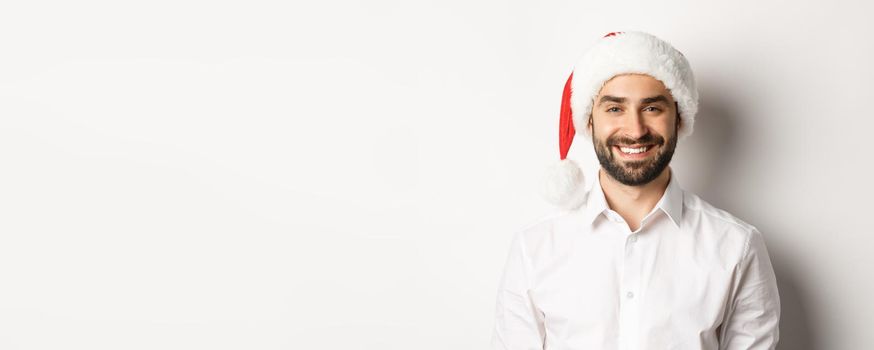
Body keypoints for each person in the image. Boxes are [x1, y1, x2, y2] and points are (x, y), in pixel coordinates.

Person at [490, 31, 781, 349]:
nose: (635, 130)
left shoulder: (736, 247)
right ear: (589, 121)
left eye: (652, 108)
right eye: (615, 109)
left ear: (679, 119)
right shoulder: (534, 250)